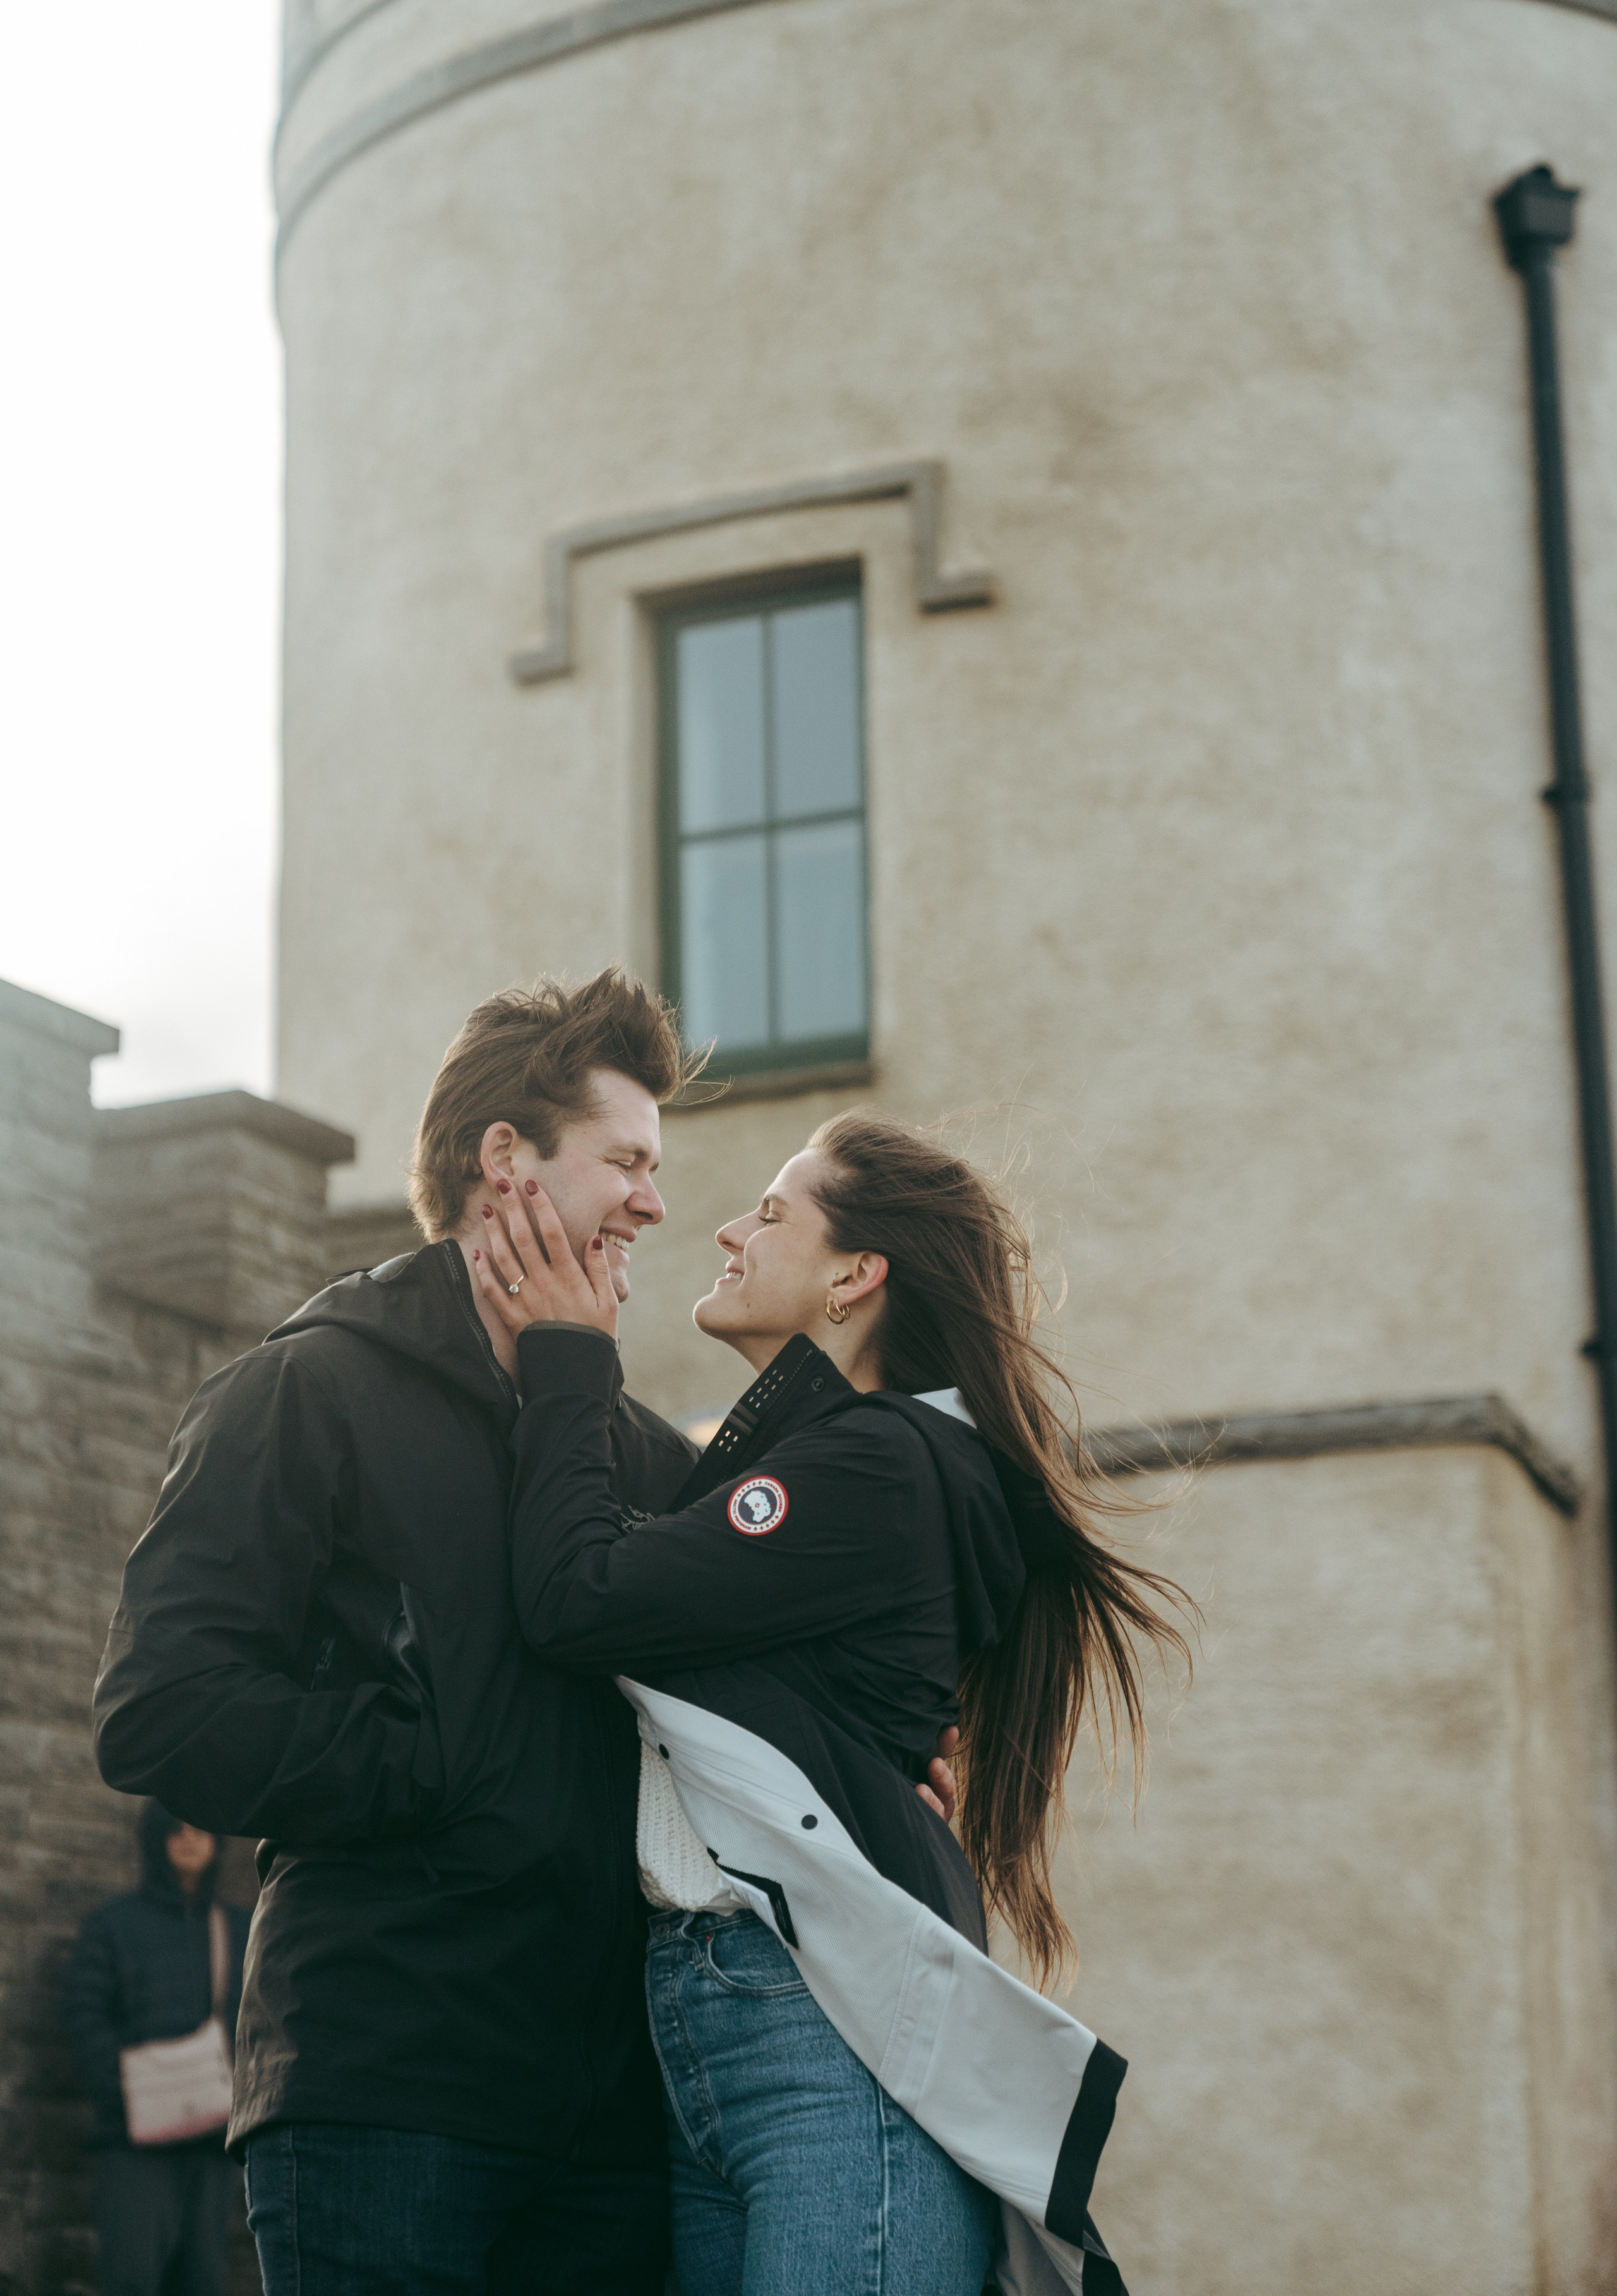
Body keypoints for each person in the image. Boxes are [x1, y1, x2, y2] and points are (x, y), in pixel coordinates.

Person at [90, 969, 956, 2296]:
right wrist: (422, 1764)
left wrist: (883, 1774)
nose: (655, 1205)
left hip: (612, 2132)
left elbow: (732, 1708)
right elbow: (158, 1708)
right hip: (383, 2093)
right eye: (627, 1162)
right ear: (507, 1160)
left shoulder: (647, 1461)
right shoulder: (302, 1389)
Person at [472, 1109, 1196, 2296]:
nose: (728, 1229)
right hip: (721, 2021)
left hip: (814, 2032)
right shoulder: (848, 1467)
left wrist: (566, 1356)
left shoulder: (878, 1465)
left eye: (771, 1213)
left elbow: (578, 1596)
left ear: (855, 1276)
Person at [63, 1801, 250, 2296]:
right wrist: (128, 2096)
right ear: (154, 1839)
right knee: (130, 2277)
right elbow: (85, 2016)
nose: (189, 1839)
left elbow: (263, 2025)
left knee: (201, 2280)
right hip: (136, 2142)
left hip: (215, 2141)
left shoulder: (239, 1928)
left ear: (218, 1842)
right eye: (175, 1829)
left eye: (201, 1829)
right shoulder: (113, 1925)